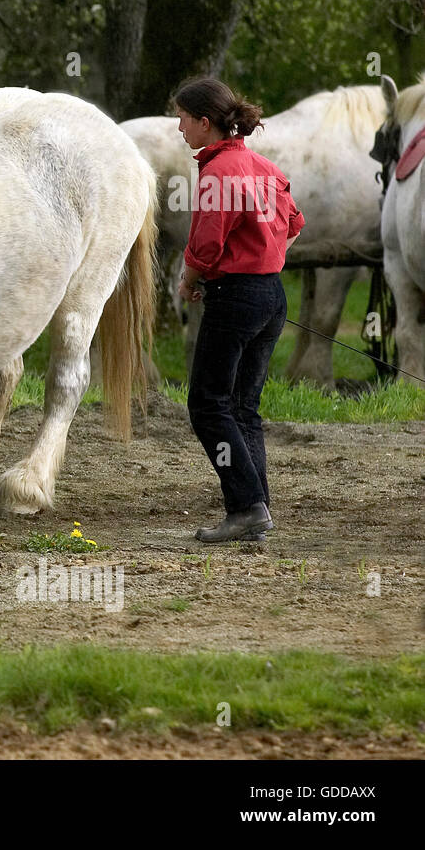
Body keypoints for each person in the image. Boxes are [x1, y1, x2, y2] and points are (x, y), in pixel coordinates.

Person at [174, 77, 304, 543]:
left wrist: (188, 281)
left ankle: (248, 507)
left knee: (207, 405)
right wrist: (269, 259)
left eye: (183, 119)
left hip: (235, 299)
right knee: (243, 408)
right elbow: (294, 222)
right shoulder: (264, 166)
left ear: (204, 122)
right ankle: (256, 507)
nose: (180, 127)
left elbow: (206, 244)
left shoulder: (216, 173)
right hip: (271, 297)